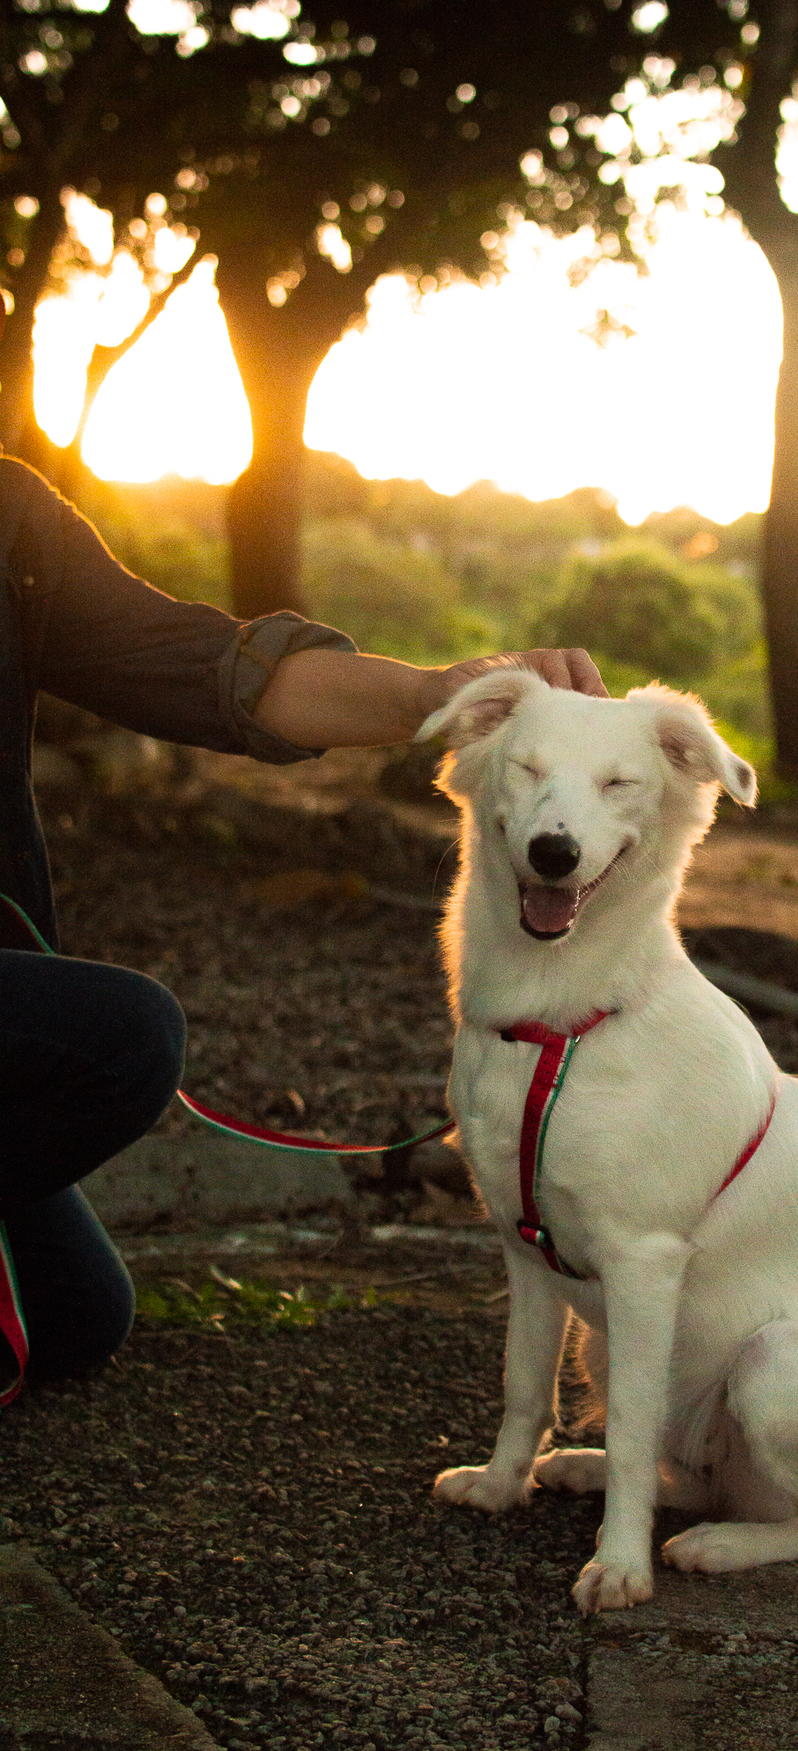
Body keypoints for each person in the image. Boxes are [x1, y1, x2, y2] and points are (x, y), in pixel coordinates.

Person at [0, 453, 604, 1400]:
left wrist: (439, 693)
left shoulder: (9, 517)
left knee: (74, 1317)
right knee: (126, 1037)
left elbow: (207, 669)